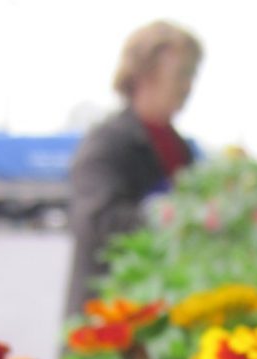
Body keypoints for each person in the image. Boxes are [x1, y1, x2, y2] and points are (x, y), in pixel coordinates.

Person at [64, 21, 202, 320]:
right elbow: (97, 222)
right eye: (182, 73)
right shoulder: (108, 141)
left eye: (193, 74)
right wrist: (177, 217)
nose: (188, 85)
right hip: (106, 321)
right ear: (145, 73)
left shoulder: (180, 146)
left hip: (159, 311)